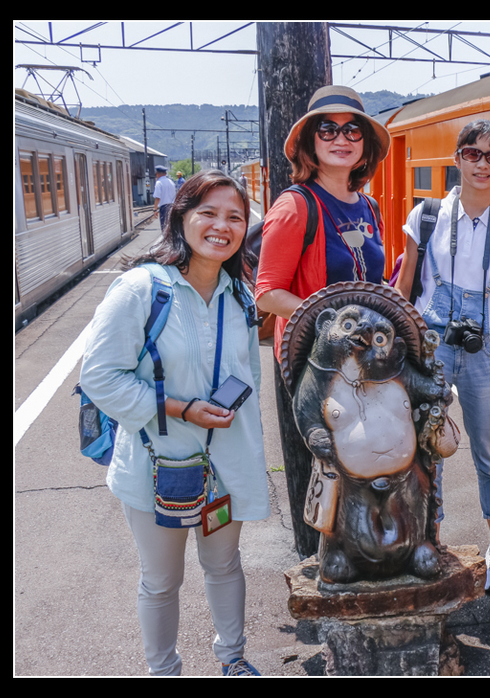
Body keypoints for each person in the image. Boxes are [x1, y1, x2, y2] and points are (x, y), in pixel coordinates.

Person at [80, 170, 268, 676]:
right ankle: (163, 670)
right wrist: (180, 409)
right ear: (181, 216)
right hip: (155, 467)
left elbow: (247, 380)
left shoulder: (240, 297)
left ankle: (233, 659)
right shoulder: (141, 290)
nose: (221, 227)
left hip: (222, 466)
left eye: (235, 217)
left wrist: (251, 458)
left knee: (225, 565)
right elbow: (98, 377)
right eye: (207, 212)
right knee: (162, 579)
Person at [393, 120, 490, 588]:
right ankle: (426, 540)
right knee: (421, 451)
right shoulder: (426, 215)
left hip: (484, 351)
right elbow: (402, 287)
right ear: (457, 159)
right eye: (473, 154)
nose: (482, 163)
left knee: (489, 455)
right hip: (429, 344)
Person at [254, 85, 389, 557]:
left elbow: (375, 279)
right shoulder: (295, 206)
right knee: (335, 467)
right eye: (327, 128)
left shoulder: (368, 207)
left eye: (353, 129)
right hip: (320, 364)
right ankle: (330, 566)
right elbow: (267, 291)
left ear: (365, 146)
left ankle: (373, 560)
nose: (341, 137)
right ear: (310, 143)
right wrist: (331, 316)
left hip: (368, 365)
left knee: (374, 466)